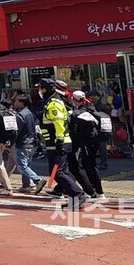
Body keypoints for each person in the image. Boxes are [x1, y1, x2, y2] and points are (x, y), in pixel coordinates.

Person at [36, 79, 87, 209]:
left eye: (40, 88)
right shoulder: (50, 102)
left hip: (58, 143)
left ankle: (78, 194)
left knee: (57, 172)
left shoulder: (53, 103)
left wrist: (59, 143)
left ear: (45, 89)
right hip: (55, 143)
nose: (39, 91)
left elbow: (58, 123)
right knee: (63, 171)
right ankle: (74, 197)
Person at [71, 90, 104, 199]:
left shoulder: (77, 113)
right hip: (95, 140)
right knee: (89, 165)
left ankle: (98, 191)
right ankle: (95, 190)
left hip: (86, 142)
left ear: (75, 100)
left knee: (89, 166)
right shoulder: (90, 108)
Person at [11, 94, 46, 194]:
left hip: (23, 143)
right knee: (27, 165)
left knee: (22, 166)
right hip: (32, 142)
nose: (15, 103)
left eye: (16, 101)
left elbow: (16, 131)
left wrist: (11, 141)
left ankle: (37, 180)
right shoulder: (30, 113)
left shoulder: (21, 115)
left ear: (21, 103)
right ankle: (26, 185)